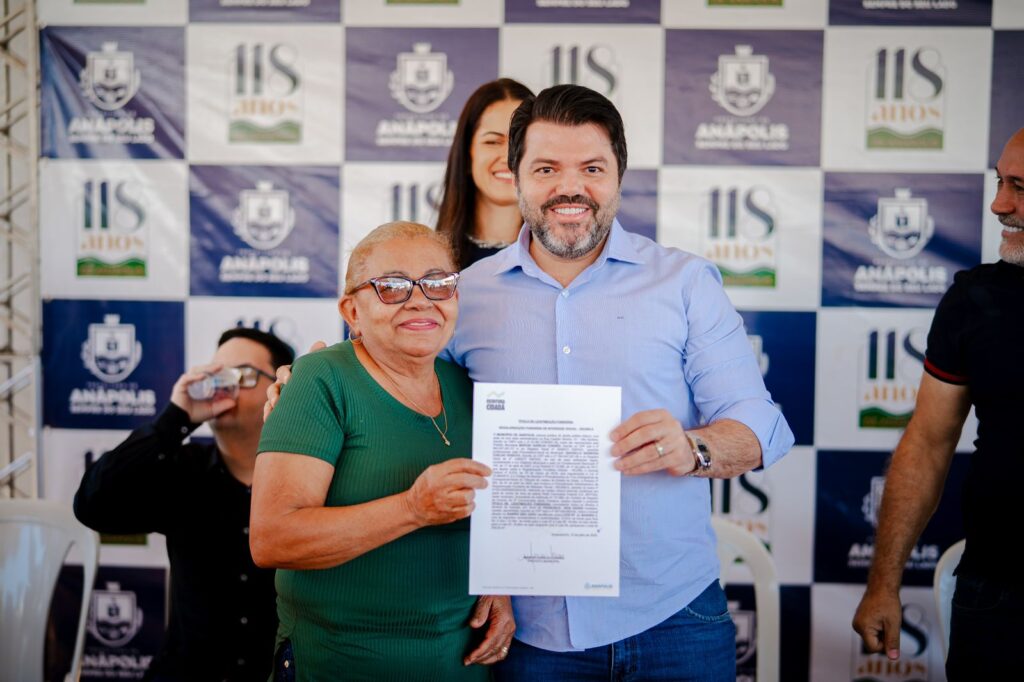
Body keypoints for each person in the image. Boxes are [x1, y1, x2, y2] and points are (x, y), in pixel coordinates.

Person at [268, 86, 794, 681]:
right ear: (514, 177)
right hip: (523, 630)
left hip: (672, 618)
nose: (570, 187)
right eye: (546, 169)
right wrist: (302, 383)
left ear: (619, 176)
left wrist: (693, 448)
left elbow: (763, 427)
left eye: (592, 168)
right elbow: (389, 381)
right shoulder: (462, 294)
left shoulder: (685, 282)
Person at [250, 221, 515, 682]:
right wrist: (413, 508)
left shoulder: (468, 386)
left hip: (461, 663)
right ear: (351, 310)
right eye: (392, 286)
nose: (420, 300)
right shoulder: (320, 380)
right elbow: (273, 538)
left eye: (437, 283)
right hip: (340, 663)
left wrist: (502, 587)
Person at [852, 128, 1024, 679]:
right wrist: (884, 582)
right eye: (1000, 183)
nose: (999, 205)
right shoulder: (975, 298)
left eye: (1020, 188)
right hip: (997, 596)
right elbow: (927, 444)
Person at [73, 327, 294, 682]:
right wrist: (176, 417)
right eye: (217, 374)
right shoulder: (184, 469)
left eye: (242, 375)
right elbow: (92, 504)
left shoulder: (306, 480)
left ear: (279, 391)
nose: (225, 386)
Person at [436, 78, 534, 268]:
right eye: (493, 142)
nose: (508, 157)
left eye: (520, 141)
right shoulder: (431, 262)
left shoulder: (564, 260)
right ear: (467, 154)